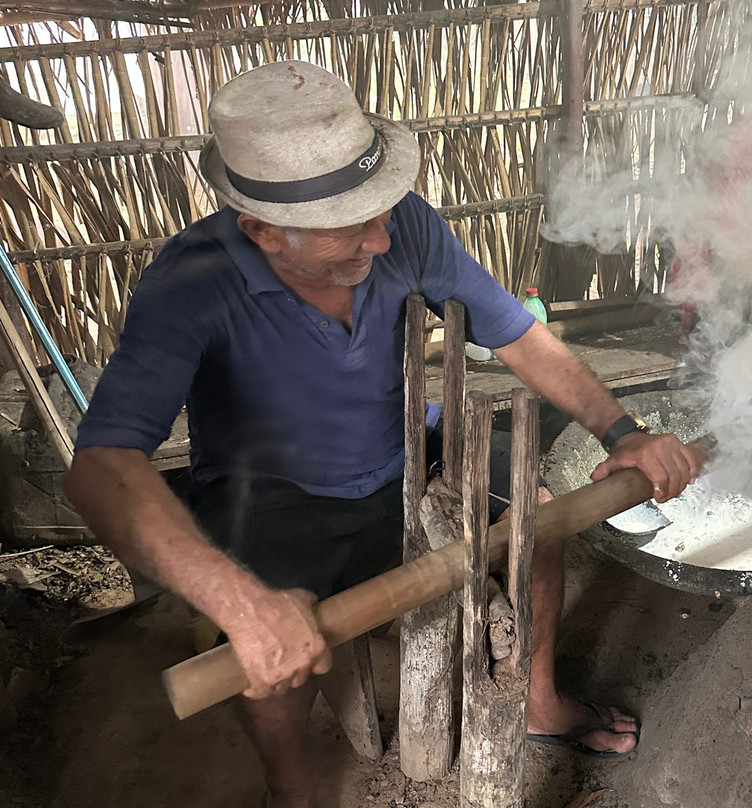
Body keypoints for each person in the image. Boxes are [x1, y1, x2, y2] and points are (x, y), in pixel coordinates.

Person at [63, 60, 704, 808]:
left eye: (382, 208)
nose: (381, 235)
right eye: (351, 225)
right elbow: (102, 466)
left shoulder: (402, 225)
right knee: (270, 639)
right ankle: (292, 785)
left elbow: (516, 334)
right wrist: (242, 606)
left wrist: (621, 430)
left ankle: (537, 702)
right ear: (262, 229)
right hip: (270, 490)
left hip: (407, 448)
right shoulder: (190, 284)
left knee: (534, 513)